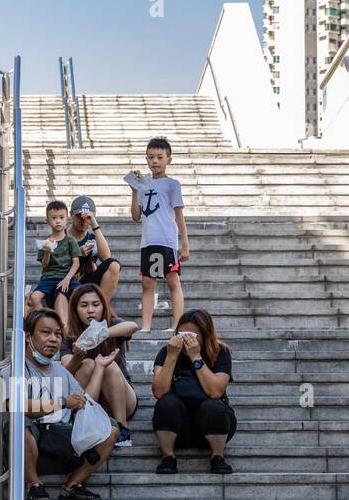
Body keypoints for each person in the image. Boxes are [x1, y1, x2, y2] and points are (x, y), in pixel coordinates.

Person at [15, 308, 120, 500]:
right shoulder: (14, 367)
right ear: (28, 336)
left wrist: (99, 367)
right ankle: (34, 485)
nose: (54, 339)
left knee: (111, 428)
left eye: (57, 334)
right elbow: (20, 405)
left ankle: (73, 485)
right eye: (46, 332)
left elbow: (85, 402)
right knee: (19, 422)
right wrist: (63, 402)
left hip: (61, 442)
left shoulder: (60, 371)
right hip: (29, 447)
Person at [151, 308, 236, 474]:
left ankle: (217, 456)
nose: (186, 339)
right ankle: (168, 456)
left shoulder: (221, 352)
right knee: (166, 403)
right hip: (177, 428)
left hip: (213, 424)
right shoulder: (167, 351)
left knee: (213, 406)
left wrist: (196, 357)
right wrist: (171, 357)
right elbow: (159, 392)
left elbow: (216, 392)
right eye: (182, 334)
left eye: (193, 335)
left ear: (205, 335)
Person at [61, 284, 139, 447]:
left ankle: (122, 430)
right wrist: (78, 357)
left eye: (96, 304)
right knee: (88, 364)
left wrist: (103, 333)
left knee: (107, 365)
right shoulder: (69, 335)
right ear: (75, 309)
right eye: (84, 305)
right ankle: (83, 423)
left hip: (121, 400)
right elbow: (65, 371)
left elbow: (133, 326)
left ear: (103, 306)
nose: (90, 310)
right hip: (89, 400)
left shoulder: (112, 324)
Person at [128, 136, 189, 332]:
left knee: (172, 280)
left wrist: (185, 243)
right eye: (150, 157)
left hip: (167, 240)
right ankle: (146, 326)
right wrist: (134, 190)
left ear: (168, 159)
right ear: (146, 159)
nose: (154, 161)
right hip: (148, 241)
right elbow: (136, 216)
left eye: (159, 157)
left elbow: (179, 214)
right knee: (147, 283)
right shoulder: (143, 184)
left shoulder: (173, 184)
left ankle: (177, 324)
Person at [27, 200, 82, 329]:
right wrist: (47, 252)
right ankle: (46, 321)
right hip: (48, 278)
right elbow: (44, 266)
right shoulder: (45, 242)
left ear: (67, 219)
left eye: (61, 217)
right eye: (54, 218)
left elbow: (76, 262)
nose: (58, 221)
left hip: (66, 276)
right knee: (34, 298)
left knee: (82, 293)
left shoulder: (70, 241)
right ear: (48, 221)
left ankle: (77, 324)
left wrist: (67, 279)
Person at [64, 196, 121, 302]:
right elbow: (53, 264)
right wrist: (78, 254)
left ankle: (101, 310)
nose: (83, 220)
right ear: (71, 215)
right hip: (65, 281)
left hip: (88, 280)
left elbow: (107, 258)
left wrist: (94, 224)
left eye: (87, 217)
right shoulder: (61, 236)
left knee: (113, 265)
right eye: (79, 216)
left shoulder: (93, 238)